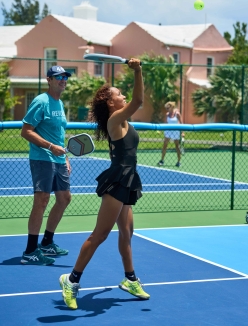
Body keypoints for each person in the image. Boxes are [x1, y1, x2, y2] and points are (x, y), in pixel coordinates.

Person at [59, 58, 150, 310]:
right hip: (118, 180)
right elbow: (139, 101)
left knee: (127, 233)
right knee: (100, 235)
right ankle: (71, 279)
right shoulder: (115, 120)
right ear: (111, 103)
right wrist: (138, 71)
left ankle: (130, 279)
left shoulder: (124, 120)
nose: (123, 96)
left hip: (129, 178)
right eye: (119, 94)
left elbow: (135, 104)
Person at [20, 66, 72, 265]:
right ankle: (30, 251)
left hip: (59, 160)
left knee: (64, 199)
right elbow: (26, 131)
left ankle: (47, 243)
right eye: (59, 77)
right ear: (49, 80)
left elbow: (59, 134)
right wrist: (50, 146)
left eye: (65, 77)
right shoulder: (40, 101)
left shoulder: (59, 104)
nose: (63, 80)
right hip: (42, 158)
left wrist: (66, 158)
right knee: (41, 202)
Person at [157, 101, 184, 167]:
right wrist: (161, 130)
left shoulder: (177, 114)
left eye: (168, 107)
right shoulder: (167, 114)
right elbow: (165, 123)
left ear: (172, 107)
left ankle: (179, 162)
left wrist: (182, 132)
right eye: (166, 108)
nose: (167, 109)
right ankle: (162, 160)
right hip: (168, 131)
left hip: (176, 132)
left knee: (177, 147)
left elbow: (181, 123)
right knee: (165, 146)